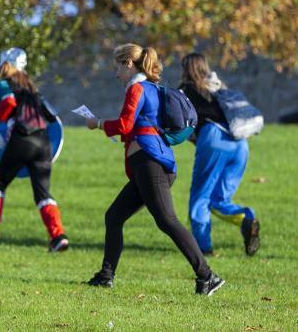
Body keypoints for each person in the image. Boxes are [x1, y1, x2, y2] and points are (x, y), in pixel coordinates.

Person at [85, 43, 224, 296]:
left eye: (117, 66)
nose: (116, 74)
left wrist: (99, 124)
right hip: (147, 164)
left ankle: (207, 275)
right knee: (114, 216)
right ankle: (106, 276)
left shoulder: (137, 88)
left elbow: (126, 125)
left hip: (151, 164)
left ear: (128, 63)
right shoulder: (151, 88)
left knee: (167, 220)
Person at [0, 48, 69, 252]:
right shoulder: (32, 88)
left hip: (22, 139)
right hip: (44, 144)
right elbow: (52, 117)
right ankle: (58, 236)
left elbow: (8, 102)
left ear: (5, 65)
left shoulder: (3, 83)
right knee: (42, 193)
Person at [179, 52, 260, 256]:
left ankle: (203, 249)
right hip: (240, 142)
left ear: (186, 69)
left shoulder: (185, 91)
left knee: (200, 197)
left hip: (213, 137)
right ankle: (246, 219)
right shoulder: (219, 86)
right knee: (219, 199)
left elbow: (180, 124)